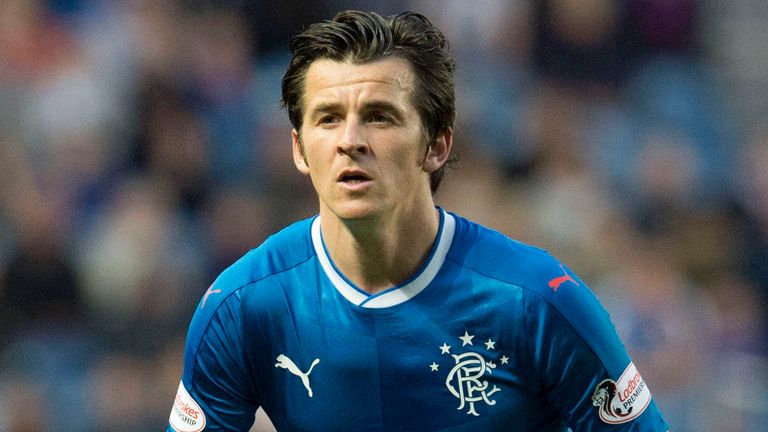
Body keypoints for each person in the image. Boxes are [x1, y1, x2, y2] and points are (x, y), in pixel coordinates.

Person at [167, 10, 669, 432]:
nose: (350, 141)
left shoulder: (536, 300)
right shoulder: (243, 305)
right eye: (328, 118)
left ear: (436, 145)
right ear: (299, 149)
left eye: (379, 116)